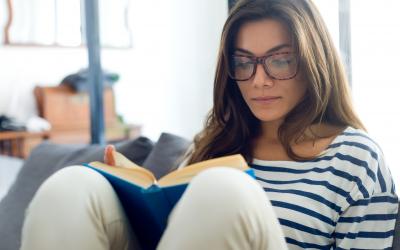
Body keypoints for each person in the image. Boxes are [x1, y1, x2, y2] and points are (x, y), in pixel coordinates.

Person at [20, 0, 398, 249]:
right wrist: (128, 188)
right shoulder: (219, 142)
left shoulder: (355, 157)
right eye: (244, 62)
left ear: (313, 62)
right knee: (73, 187)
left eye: (280, 60)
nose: (258, 80)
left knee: (223, 191)